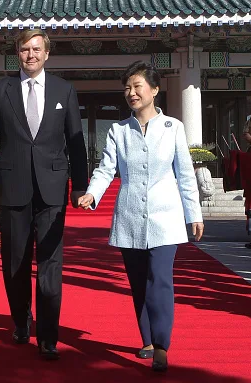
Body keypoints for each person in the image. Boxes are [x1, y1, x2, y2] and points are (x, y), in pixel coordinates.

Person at [77, 61, 204, 372]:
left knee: (160, 280)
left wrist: (194, 214)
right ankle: (146, 338)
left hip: (166, 216)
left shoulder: (174, 127)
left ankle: (161, 345)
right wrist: (92, 193)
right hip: (130, 215)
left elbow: (185, 175)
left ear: (155, 90)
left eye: (137, 86)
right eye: (127, 88)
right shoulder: (118, 131)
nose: (131, 93)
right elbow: (107, 168)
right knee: (137, 283)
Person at [0, 28, 88, 360]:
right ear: (18, 53)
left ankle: (48, 336)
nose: (31, 54)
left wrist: (80, 186)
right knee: (16, 262)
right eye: (25, 49)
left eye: (36, 49)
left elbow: (76, 142)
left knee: (51, 262)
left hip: (53, 188)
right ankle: (22, 321)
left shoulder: (64, 90)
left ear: (47, 53)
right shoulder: (0, 90)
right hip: (13, 188)